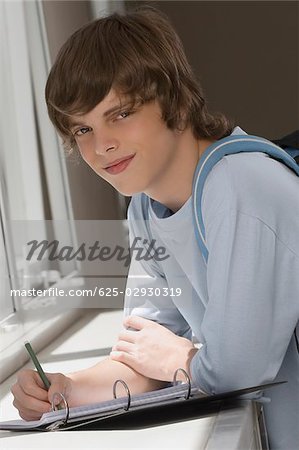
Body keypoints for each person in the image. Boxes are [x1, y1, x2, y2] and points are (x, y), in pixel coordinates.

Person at [11, 6, 299, 449]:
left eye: (120, 114)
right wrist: (62, 389)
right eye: (82, 128)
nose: (101, 145)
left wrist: (181, 357)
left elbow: (238, 368)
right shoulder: (145, 208)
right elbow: (144, 358)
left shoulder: (241, 187)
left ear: (173, 99)